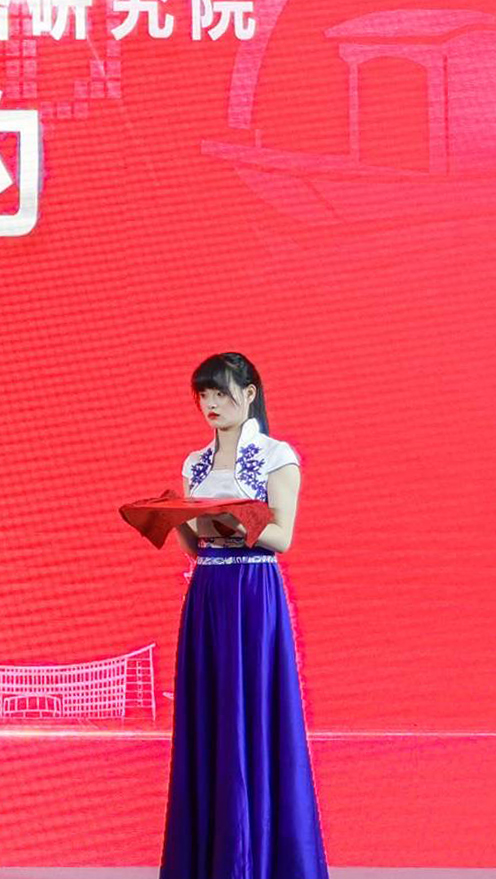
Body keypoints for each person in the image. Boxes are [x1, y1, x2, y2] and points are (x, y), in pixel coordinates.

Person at [163, 352, 328, 879]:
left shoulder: (278, 456)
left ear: (250, 393)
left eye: (221, 392)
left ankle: (260, 859)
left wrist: (235, 522)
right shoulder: (194, 463)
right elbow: (195, 547)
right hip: (208, 592)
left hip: (254, 593)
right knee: (210, 719)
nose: (211, 404)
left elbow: (282, 537)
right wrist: (174, 518)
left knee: (255, 715)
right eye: (204, 395)